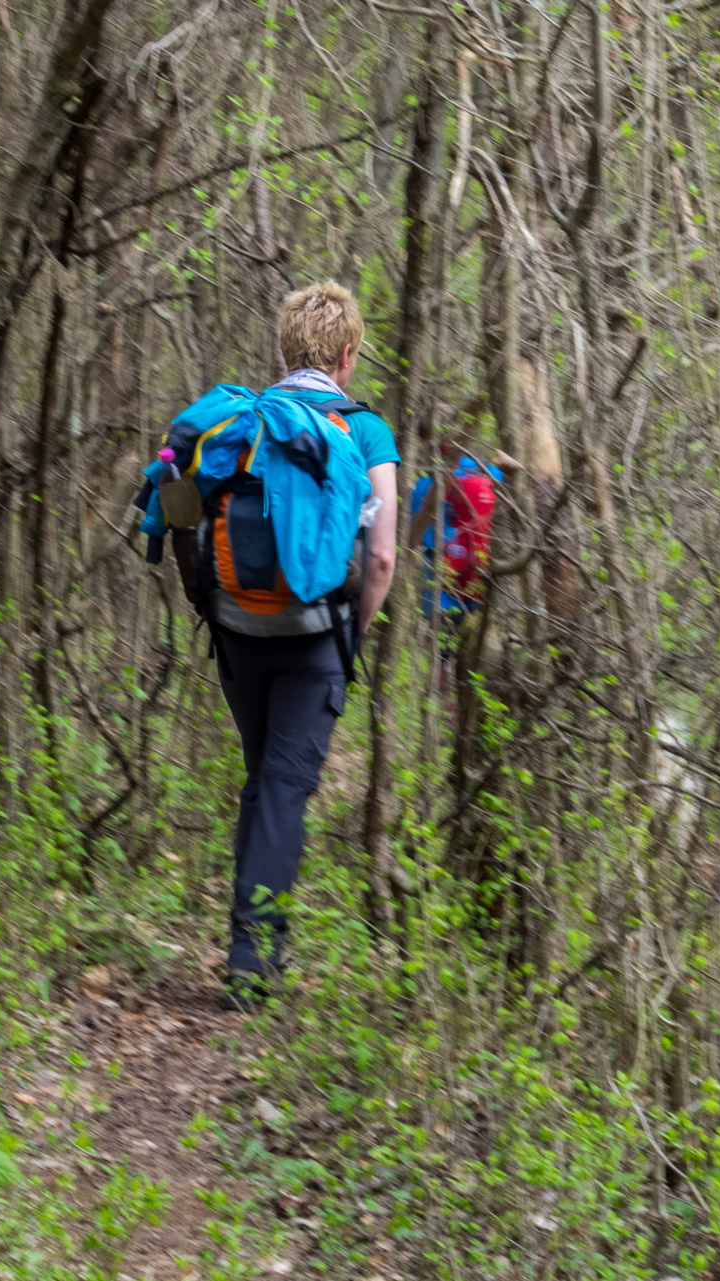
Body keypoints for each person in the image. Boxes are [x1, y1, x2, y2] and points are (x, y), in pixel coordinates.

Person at [214, 281, 399, 1009]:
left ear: (283, 349)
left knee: (263, 779)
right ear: (348, 354)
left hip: (237, 628)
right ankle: (252, 964)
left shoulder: (248, 422)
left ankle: (245, 944)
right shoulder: (365, 430)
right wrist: (355, 630)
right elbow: (381, 557)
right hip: (314, 636)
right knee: (286, 789)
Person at [407, 417, 520, 666]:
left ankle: (443, 690)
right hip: (479, 581)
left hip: (444, 586)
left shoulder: (424, 479)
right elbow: (512, 472)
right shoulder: (482, 471)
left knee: (445, 656)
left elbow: (414, 535)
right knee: (472, 657)